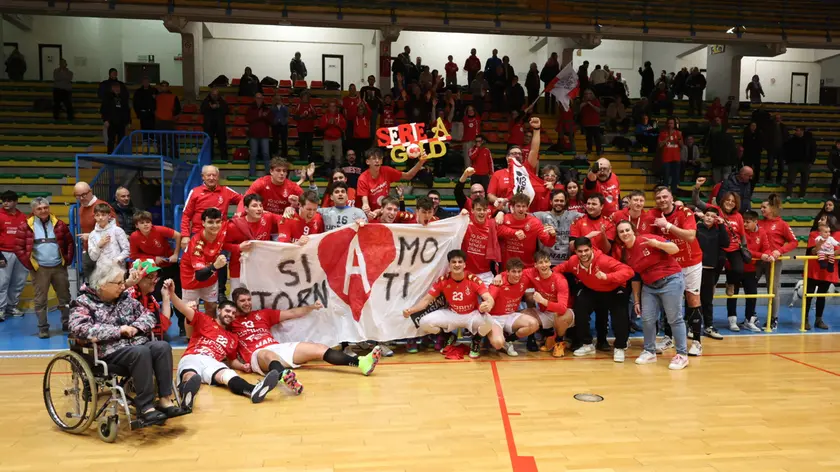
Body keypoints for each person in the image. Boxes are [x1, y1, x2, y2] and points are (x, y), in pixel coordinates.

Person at [69, 262, 183, 424]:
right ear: (102, 284)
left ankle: (165, 399)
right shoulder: (83, 303)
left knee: (161, 347)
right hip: (107, 351)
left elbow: (149, 316)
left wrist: (136, 327)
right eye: (119, 283)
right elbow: (80, 328)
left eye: (123, 282)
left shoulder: (124, 299)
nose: (124, 286)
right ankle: (145, 406)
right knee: (140, 352)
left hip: (134, 344)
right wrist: (118, 330)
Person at [165, 283, 284, 408]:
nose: (230, 315)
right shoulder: (204, 320)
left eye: (233, 313)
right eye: (227, 311)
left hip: (212, 362)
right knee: (190, 375)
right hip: (194, 355)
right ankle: (187, 397)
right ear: (219, 310)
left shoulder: (232, 338)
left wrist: (243, 366)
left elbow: (232, 361)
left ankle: (253, 390)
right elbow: (183, 309)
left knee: (228, 374)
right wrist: (172, 294)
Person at [228, 287, 380, 380]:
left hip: (277, 348)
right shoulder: (230, 321)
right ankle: (284, 377)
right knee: (268, 355)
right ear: (235, 303)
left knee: (319, 348)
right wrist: (240, 366)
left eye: (248, 299)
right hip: (257, 355)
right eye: (242, 301)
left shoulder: (262, 314)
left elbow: (292, 312)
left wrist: (312, 307)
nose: (247, 303)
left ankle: (361, 363)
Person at [613, 221, 689, 370]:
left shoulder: (648, 239)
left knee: (674, 318)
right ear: (618, 236)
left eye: (627, 230)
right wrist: (636, 301)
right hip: (649, 286)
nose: (625, 233)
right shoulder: (625, 253)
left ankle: (682, 355)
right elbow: (635, 278)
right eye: (621, 232)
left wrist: (658, 244)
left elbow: (675, 249)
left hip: (670, 280)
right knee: (647, 319)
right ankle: (649, 351)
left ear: (633, 230)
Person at [644, 186, 703, 353]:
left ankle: (697, 342)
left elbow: (691, 236)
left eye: (665, 197)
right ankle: (669, 338)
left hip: (691, 262)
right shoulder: (652, 214)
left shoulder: (685, 212)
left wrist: (667, 225)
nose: (662, 200)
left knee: (692, 299)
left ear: (671, 198)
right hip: (669, 264)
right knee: (668, 302)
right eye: (658, 198)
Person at [402, 249, 497, 352]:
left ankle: (476, 340)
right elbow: (426, 300)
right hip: (452, 314)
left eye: (460, 262)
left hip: (471, 315)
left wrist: (489, 304)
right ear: (449, 265)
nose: (457, 264)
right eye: (454, 262)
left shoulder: (473, 279)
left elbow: (488, 298)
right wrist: (411, 310)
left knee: (489, 322)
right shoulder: (443, 280)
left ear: (464, 265)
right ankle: (447, 336)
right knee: (424, 322)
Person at [555, 237, 634, 361]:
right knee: (580, 306)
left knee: (619, 314)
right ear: (575, 251)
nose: (583, 254)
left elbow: (629, 271)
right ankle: (587, 344)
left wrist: (608, 276)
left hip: (614, 289)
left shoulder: (604, 261)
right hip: (593, 290)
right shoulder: (573, 262)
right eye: (580, 251)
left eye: (586, 250)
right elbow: (558, 269)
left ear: (591, 249)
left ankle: (620, 346)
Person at [130, 210, 184, 335]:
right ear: (137, 225)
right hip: (154, 270)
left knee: (178, 295)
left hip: (171, 266)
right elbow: (134, 255)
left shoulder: (159, 229)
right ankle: (160, 324)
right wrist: (154, 258)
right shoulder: (134, 236)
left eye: (148, 222)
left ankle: (182, 327)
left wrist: (175, 254)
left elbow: (178, 235)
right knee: (156, 296)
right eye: (142, 223)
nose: (146, 225)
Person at [223, 194, 282, 291]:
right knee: (238, 298)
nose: (259, 209)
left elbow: (286, 220)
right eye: (254, 206)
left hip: (261, 267)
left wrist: (291, 208)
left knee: (260, 298)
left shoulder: (268, 217)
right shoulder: (234, 225)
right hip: (239, 269)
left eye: (260, 206)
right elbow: (223, 245)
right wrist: (238, 247)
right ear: (246, 209)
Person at [756, 194, 798, 330]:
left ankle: (773, 319)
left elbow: (794, 242)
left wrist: (780, 251)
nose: (761, 209)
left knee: (773, 290)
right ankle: (750, 316)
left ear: (772, 208)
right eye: (760, 207)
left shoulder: (782, 224)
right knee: (750, 286)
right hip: (758, 260)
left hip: (774, 262)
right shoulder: (758, 223)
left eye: (764, 207)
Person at [692, 206, 730, 355]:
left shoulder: (718, 230)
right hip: (695, 268)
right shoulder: (697, 227)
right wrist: (696, 217)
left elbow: (726, 243)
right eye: (707, 215)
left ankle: (708, 326)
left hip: (710, 269)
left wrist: (721, 225)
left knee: (707, 300)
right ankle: (692, 326)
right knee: (693, 299)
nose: (709, 218)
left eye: (712, 216)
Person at [728, 210, 772, 332]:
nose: (745, 225)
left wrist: (767, 255)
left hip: (751, 269)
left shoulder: (762, 232)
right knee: (733, 294)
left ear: (755, 222)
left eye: (747, 222)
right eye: (743, 222)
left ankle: (749, 320)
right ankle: (732, 321)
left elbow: (766, 248)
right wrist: (761, 255)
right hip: (735, 268)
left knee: (752, 294)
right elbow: (743, 250)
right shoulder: (739, 232)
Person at [487, 259, 541, 357]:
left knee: (534, 324)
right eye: (513, 272)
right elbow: (489, 299)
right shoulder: (498, 282)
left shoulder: (524, 279)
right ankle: (495, 337)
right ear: (507, 272)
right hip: (495, 318)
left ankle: (508, 341)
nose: (517, 275)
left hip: (510, 315)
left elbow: (539, 269)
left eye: (519, 271)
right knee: (498, 343)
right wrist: (487, 304)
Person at [180, 208, 228, 319]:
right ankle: (191, 337)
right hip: (191, 278)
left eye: (217, 222)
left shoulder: (223, 229)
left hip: (211, 275)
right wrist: (215, 266)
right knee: (191, 311)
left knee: (211, 307)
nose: (215, 225)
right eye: (210, 222)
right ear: (203, 223)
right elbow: (200, 276)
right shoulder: (196, 243)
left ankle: (209, 333)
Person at [524, 250, 573, 356]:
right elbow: (515, 272)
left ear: (550, 263)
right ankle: (549, 336)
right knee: (523, 315)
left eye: (546, 262)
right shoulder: (532, 272)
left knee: (560, 316)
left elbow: (562, 308)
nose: (544, 265)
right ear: (535, 265)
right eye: (541, 262)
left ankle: (559, 342)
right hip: (546, 312)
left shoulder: (560, 280)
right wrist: (500, 276)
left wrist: (542, 301)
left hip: (566, 313)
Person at [181, 165, 242, 246]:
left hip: (220, 235)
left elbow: (245, 200)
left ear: (218, 176)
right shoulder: (195, 192)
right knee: (197, 258)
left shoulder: (226, 191)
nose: (211, 178)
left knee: (221, 258)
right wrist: (185, 235)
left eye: (214, 175)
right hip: (198, 234)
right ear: (203, 177)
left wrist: (240, 212)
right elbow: (186, 215)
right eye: (208, 175)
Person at [497, 193, 557, 268]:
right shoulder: (505, 218)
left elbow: (548, 243)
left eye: (524, 206)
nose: (521, 209)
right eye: (518, 206)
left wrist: (552, 236)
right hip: (507, 267)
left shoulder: (535, 222)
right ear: (512, 207)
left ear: (527, 207)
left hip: (527, 267)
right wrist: (514, 232)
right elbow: (496, 231)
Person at [358, 148, 426, 212]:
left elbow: (408, 176)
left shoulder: (387, 171)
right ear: (367, 162)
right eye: (374, 158)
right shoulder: (363, 178)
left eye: (379, 158)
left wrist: (421, 162)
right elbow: (365, 202)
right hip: (369, 213)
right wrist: (366, 207)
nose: (377, 161)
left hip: (384, 211)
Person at [803, 219, 838, 330]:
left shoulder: (834, 235)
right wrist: (819, 245)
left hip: (827, 270)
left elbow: (837, 250)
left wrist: (830, 253)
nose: (820, 220)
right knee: (808, 295)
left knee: (821, 296)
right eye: (820, 219)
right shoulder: (814, 234)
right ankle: (805, 320)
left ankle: (818, 320)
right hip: (813, 269)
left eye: (823, 219)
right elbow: (812, 251)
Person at [534, 189, 584, 265]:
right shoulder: (539, 216)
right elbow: (522, 215)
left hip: (568, 263)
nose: (559, 203)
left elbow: (592, 216)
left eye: (561, 201)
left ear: (565, 202)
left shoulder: (574, 216)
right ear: (551, 202)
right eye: (556, 200)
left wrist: (608, 218)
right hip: (546, 263)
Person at [0, 191, 28, 320]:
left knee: (18, 282)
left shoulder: (22, 217)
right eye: (3, 200)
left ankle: (11, 307)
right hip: (4, 253)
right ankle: (1, 309)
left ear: (16, 202)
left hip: (20, 254)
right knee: (2, 283)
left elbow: (27, 236)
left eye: (9, 200)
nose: (5, 203)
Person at [87, 202, 130, 268]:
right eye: (97, 215)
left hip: (117, 268)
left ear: (109, 216)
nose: (100, 217)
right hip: (101, 269)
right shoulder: (92, 235)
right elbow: (93, 257)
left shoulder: (117, 230)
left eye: (103, 215)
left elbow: (127, 249)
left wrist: (118, 259)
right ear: (94, 217)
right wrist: (99, 245)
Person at [246, 92, 272, 177]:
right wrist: (259, 116)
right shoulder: (250, 108)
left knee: (266, 154)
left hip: (264, 134)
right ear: (255, 98)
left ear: (263, 99)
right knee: (253, 154)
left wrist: (264, 117)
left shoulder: (267, 109)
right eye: (257, 98)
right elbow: (248, 119)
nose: (259, 99)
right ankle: (252, 173)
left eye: (260, 98)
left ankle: (268, 173)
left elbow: (271, 120)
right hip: (253, 134)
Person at [784, 127, 815, 199]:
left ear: (802, 131)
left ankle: (802, 195)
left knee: (805, 180)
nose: (795, 132)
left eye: (797, 130)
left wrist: (811, 161)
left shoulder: (809, 140)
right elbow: (786, 150)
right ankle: (788, 194)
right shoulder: (791, 140)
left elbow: (813, 151)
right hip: (793, 163)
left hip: (805, 163)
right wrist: (788, 161)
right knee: (790, 179)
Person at [101, 82, 131, 154]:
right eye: (115, 87)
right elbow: (104, 109)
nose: (117, 89)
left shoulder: (123, 98)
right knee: (111, 139)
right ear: (112, 88)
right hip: (111, 122)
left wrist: (128, 121)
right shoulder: (107, 97)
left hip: (121, 122)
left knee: (121, 140)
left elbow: (127, 110)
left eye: (118, 87)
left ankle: (120, 154)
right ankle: (110, 154)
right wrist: (105, 120)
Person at [201, 86, 229, 161]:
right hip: (209, 126)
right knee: (209, 143)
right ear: (210, 94)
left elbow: (227, 110)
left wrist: (219, 106)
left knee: (222, 142)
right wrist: (210, 107)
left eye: (216, 95)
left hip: (220, 125)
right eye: (213, 95)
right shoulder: (206, 101)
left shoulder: (222, 101)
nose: (215, 96)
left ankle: (224, 158)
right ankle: (209, 158)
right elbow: (202, 110)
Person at [318, 101, 347, 167]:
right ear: (328, 107)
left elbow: (344, 127)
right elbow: (321, 128)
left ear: (336, 107)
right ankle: (327, 172)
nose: (332, 107)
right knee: (327, 157)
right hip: (327, 139)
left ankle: (338, 171)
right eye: (331, 106)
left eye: (334, 106)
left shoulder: (340, 116)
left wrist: (337, 124)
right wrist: (328, 124)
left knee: (338, 158)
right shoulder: (325, 116)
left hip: (337, 139)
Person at [658, 118, 683, 194]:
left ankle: (673, 193)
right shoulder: (663, 133)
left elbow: (682, 145)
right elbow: (660, 145)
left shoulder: (678, 133)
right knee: (666, 176)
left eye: (672, 123)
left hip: (676, 158)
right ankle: (665, 193)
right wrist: (667, 139)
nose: (670, 125)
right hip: (666, 158)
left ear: (674, 124)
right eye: (669, 123)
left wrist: (679, 138)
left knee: (675, 177)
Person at [294, 91, 317, 161]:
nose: (305, 98)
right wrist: (301, 116)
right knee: (302, 145)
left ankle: (310, 159)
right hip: (301, 129)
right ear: (301, 98)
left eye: (306, 97)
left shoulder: (311, 105)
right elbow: (295, 117)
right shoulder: (298, 105)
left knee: (310, 144)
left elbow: (316, 116)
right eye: (304, 97)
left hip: (310, 129)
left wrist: (310, 116)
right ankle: (302, 159)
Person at [579, 89, 602, 156]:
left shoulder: (595, 101)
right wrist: (583, 105)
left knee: (597, 137)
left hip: (595, 123)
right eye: (586, 94)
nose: (587, 95)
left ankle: (599, 150)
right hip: (586, 123)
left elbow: (598, 110)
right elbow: (579, 111)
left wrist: (591, 105)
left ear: (592, 94)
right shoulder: (582, 102)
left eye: (589, 93)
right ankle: (589, 149)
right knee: (588, 137)